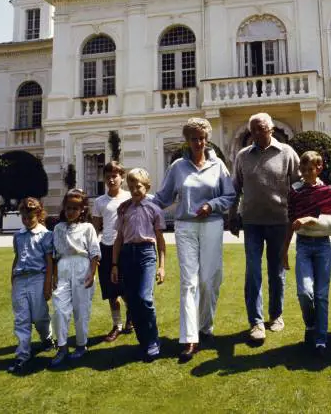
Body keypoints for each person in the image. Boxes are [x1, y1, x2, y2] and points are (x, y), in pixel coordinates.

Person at [154, 118, 236, 363]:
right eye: (193, 138)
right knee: (189, 282)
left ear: (207, 138)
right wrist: (138, 203)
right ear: (187, 141)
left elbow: (229, 195)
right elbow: (162, 197)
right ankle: (190, 338)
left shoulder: (218, 165)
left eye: (201, 138)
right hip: (185, 227)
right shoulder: (178, 166)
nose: (198, 142)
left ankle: (205, 326)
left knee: (209, 281)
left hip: (211, 226)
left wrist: (212, 205)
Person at [230, 112, 300, 342]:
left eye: (262, 128)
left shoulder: (287, 153)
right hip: (251, 222)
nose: (258, 133)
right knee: (253, 272)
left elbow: (299, 185)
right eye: (254, 130)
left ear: (271, 129)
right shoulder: (242, 156)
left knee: (277, 272)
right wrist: (232, 215)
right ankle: (256, 322)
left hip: (279, 221)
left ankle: (276, 315)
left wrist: (298, 214)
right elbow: (235, 188)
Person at [280, 150, 331, 357]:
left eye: (310, 169)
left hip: (323, 246)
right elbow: (291, 222)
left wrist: (310, 221)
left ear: (319, 168)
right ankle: (311, 325)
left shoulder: (328, 193)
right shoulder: (295, 193)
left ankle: (321, 340)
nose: (306, 173)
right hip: (303, 246)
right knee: (305, 292)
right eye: (303, 169)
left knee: (321, 295)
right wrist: (285, 249)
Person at [111, 168, 166, 362]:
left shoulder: (154, 209)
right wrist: (115, 264)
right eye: (131, 186)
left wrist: (162, 266)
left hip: (146, 255)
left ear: (147, 187)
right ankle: (143, 341)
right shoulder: (124, 208)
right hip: (127, 255)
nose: (135, 190)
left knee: (145, 298)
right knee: (133, 302)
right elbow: (119, 238)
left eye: (139, 186)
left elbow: (160, 240)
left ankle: (153, 340)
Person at [50, 189, 101, 367]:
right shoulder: (58, 228)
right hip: (63, 268)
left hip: (82, 268)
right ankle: (62, 347)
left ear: (82, 209)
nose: (71, 211)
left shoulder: (88, 228)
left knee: (81, 310)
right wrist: (55, 276)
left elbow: (94, 252)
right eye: (68, 208)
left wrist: (91, 273)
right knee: (59, 308)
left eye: (75, 208)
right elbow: (55, 255)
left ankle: (81, 345)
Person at [8, 197, 55, 373]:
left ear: (39, 215)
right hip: (20, 278)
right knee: (22, 318)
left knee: (40, 315)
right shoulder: (18, 236)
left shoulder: (46, 235)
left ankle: (47, 337)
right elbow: (17, 257)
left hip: (38, 278)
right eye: (24, 218)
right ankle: (22, 355)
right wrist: (12, 278)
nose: (27, 221)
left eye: (31, 218)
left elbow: (49, 261)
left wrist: (48, 284)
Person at [91, 161, 133, 342]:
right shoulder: (100, 202)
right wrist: (93, 251)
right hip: (106, 248)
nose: (111, 180)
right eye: (108, 177)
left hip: (125, 247)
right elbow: (95, 228)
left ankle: (131, 318)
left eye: (115, 176)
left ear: (122, 178)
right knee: (111, 291)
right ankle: (117, 325)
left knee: (126, 289)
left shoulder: (130, 198)